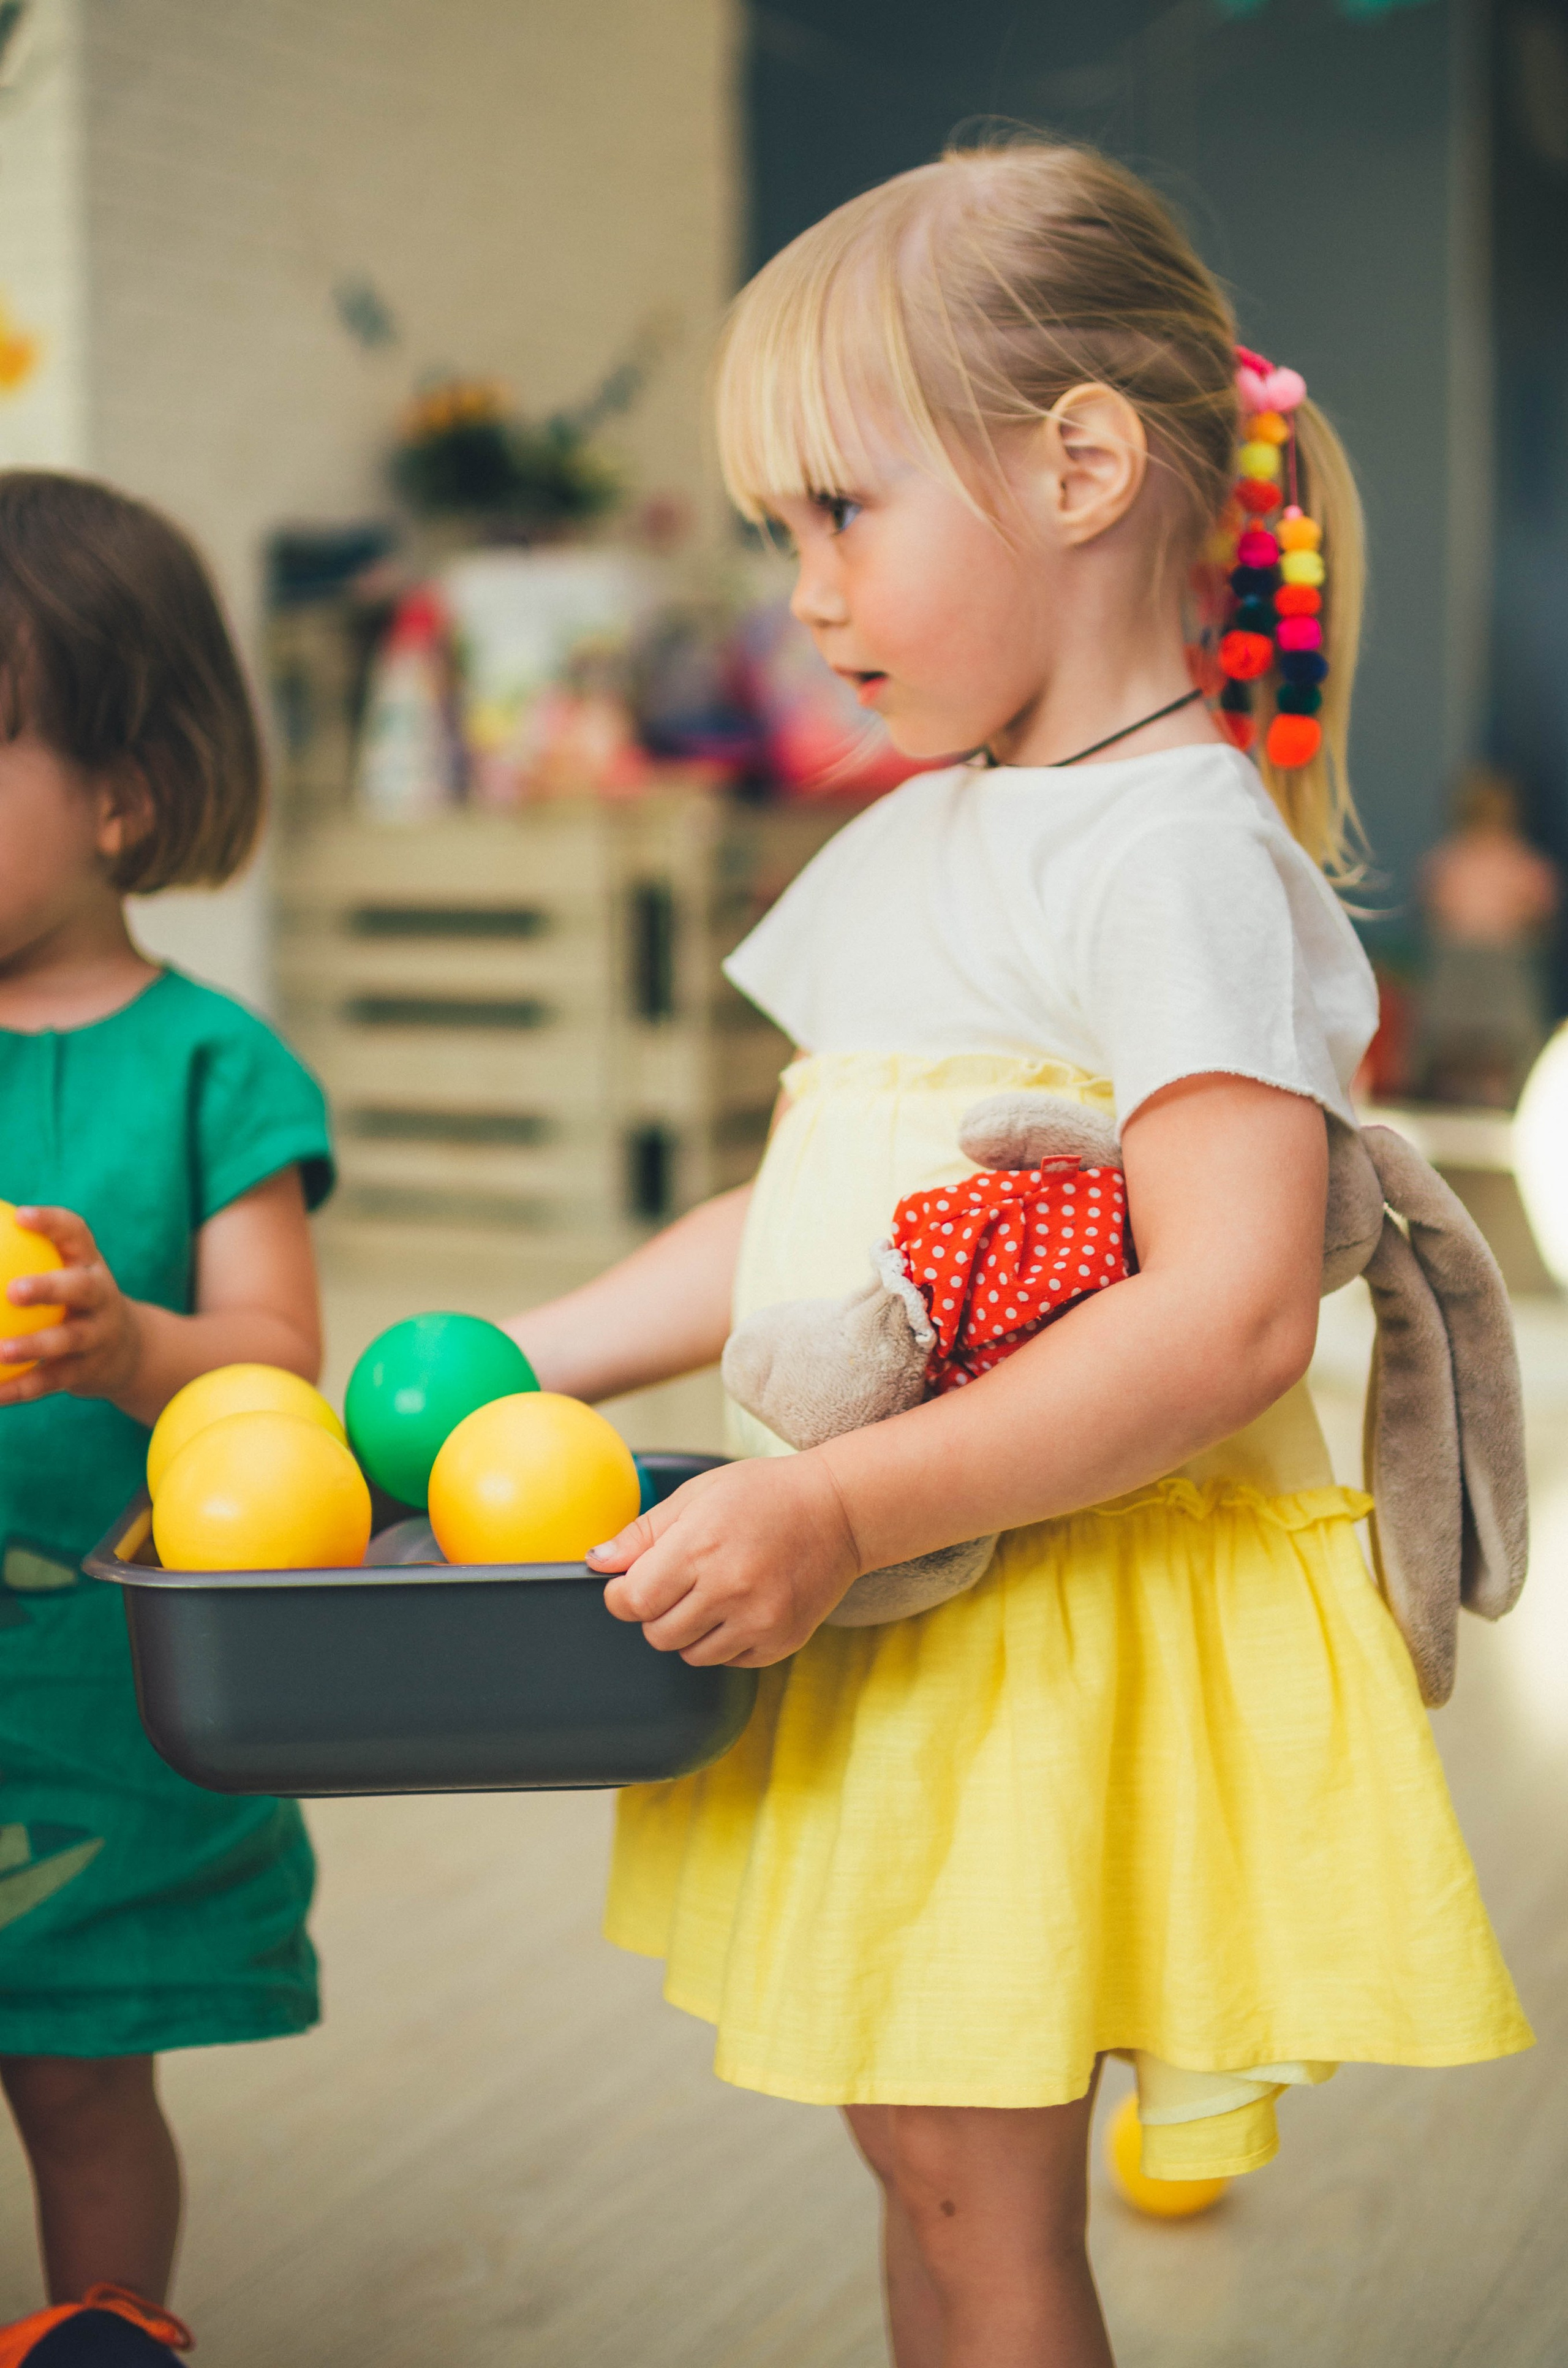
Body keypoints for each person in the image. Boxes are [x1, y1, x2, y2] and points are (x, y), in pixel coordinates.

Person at [506, 145, 1530, 2367]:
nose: (799, 588)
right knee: (925, 2166)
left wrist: (841, 1496)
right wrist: (534, 1348)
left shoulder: (1171, 855)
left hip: (1029, 1615)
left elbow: (1232, 1309)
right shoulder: (956, 822)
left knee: (980, 2211)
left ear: (1075, 466)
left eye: (836, 515)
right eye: (781, 533)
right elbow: (810, 1192)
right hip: (914, 1597)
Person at [0, 472, 332, 2356]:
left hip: (92, 1702)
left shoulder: (211, 1064)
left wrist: (133, 1350)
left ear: (120, 798)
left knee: (78, 2070)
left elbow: (275, 1364)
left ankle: (104, 2321)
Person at [1416, 762, 1560, 1106]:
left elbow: (1541, 910)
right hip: (1459, 959)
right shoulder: (1450, 858)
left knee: (1508, 1035)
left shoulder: (1522, 861)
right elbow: (1435, 905)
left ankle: (1505, 1094)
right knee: (1449, 1034)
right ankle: (1448, 1092)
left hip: (1505, 961)